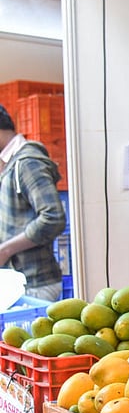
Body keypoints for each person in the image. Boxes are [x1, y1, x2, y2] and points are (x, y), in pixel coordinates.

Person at [0, 104, 67, 302]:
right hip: (20, 281)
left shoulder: (28, 163)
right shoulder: (12, 162)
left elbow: (53, 217)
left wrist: (5, 250)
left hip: (34, 283)